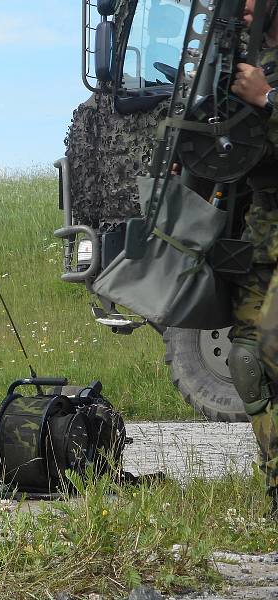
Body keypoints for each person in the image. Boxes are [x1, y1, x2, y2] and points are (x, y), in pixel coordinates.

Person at [228, 0, 278, 514]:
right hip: (262, 240)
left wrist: (268, 100)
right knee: (247, 364)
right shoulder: (241, 62)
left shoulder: (260, 79)